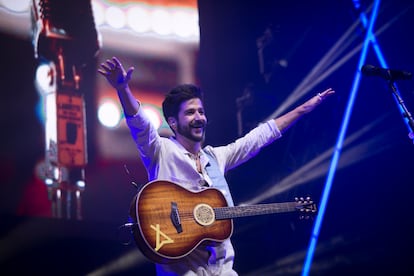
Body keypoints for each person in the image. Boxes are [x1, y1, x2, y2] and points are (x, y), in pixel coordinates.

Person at [98, 56, 335, 276]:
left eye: (201, 111)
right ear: (173, 122)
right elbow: (140, 125)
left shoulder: (216, 157)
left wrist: (304, 108)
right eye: (190, 113)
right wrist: (122, 88)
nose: (199, 117)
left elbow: (259, 137)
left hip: (222, 269)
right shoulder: (161, 151)